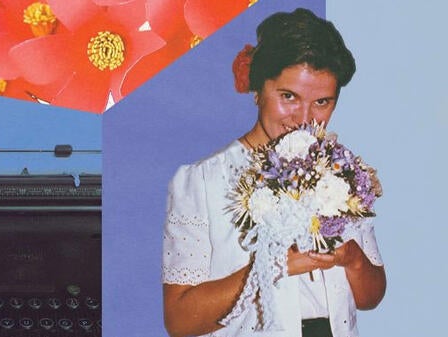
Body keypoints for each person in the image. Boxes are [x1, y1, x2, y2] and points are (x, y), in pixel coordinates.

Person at [162, 8, 386, 337]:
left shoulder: (341, 171)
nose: (304, 119)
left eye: (322, 102)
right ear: (258, 89)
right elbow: (180, 321)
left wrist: (353, 260)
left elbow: (370, 297)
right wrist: (272, 267)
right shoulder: (202, 181)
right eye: (288, 96)